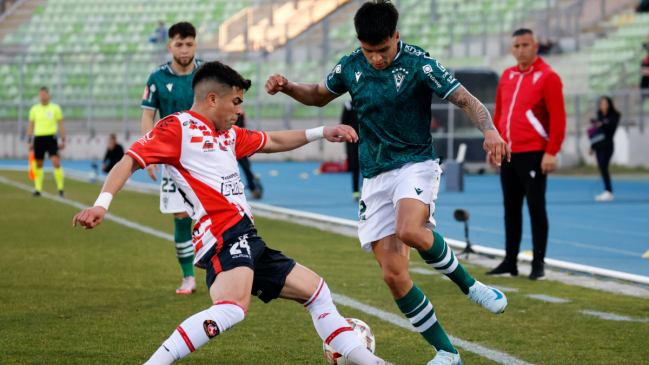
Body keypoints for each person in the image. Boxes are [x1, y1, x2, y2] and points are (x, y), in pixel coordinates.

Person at [72, 61, 392, 365]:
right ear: (212, 99)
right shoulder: (177, 128)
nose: (240, 111)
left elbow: (274, 140)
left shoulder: (228, 135)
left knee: (317, 292)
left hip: (246, 237)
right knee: (232, 308)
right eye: (236, 102)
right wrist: (102, 204)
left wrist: (323, 131)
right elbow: (129, 159)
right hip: (222, 235)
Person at [265, 2, 509, 364]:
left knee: (410, 229)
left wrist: (489, 129)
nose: (376, 58)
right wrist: (287, 87)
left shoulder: (419, 64)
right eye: (369, 51)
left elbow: (466, 99)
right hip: (375, 175)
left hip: (416, 164)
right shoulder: (351, 66)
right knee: (394, 276)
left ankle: (471, 287)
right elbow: (318, 95)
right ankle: (447, 353)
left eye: (382, 50)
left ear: (397, 36)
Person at [485, 28, 566, 281]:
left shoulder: (548, 76)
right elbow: (499, 114)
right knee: (511, 209)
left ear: (536, 46)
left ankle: (538, 263)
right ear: (512, 49)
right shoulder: (507, 76)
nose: (520, 50)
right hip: (508, 153)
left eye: (525, 45)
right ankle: (510, 261)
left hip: (534, 152)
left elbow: (558, 118)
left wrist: (551, 151)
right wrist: (494, 146)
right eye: (516, 46)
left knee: (535, 208)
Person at [141, 22, 204, 295]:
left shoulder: (207, 74)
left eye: (189, 44)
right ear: (170, 47)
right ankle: (188, 277)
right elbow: (147, 116)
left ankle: (219, 269)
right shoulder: (156, 78)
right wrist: (150, 153)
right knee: (181, 217)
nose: (184, 49)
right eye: (179, 44)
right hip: (173, 160)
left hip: (206, 155)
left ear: (195, 45)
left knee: (215, 215)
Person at [27, 86, 66, 197]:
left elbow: (61, 125)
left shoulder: (55, 108)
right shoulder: (34, 109)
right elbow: (30, 125)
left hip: (51, 138)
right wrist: (29, 140)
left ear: (48, 95)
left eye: (45, 94)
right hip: (38, 138)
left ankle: (60, 189)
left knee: (56, 162)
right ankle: (38, 189)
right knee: (39, 164)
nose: (43, 96)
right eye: (41, 94)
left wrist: (63, 139)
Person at [590, 96, 620, 201]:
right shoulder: (599, 115)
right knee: (601, 167)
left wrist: (602, 125)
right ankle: (607, 190)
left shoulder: (614, 115)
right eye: (601, 103)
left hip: (607, 145)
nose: (603, 106)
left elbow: (611, 129)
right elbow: (595, 132)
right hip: (598, 145)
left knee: (603, 166)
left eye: (605, 103)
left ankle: (609, 191)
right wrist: (592, 147)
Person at [234, 112, 263, 199]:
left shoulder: (242, 115)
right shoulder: (225, 115)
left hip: (239, 146)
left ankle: (253, 189)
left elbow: (249, 129)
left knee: (247, 169)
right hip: (228, 146)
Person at [341, 101, 360, 201]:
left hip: (365, 141)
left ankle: (365, 191)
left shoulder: (365, 102)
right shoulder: (348, 105)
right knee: (355, 167)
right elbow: (343, 123)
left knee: (367, 167)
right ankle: (356, 192)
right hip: (352, 142)